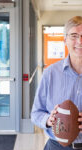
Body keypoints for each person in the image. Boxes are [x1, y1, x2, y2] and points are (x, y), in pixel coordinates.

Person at [31, 16, 82, 150]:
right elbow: (36, 113)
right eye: (74, 35)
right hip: (56, 146)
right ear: (65, 40)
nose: (79, 41)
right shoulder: (50, 73)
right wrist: (49, 120)